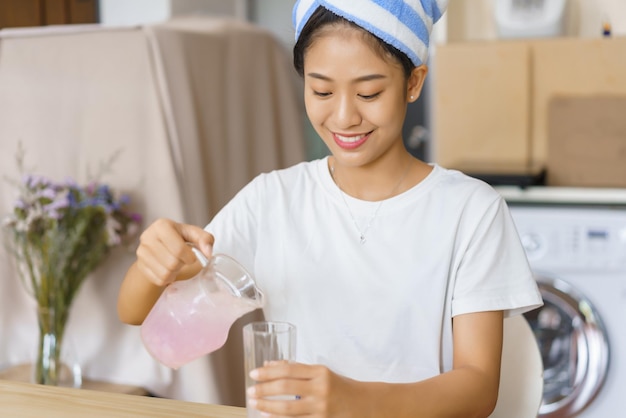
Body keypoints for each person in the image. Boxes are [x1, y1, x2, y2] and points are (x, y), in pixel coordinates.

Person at [118, 0, 543, 416]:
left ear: (413, 82)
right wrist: (153, 263)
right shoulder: (272, 200)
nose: (343, 116)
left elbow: (479, 387)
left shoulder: (471, 212)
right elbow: (136, 312)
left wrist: (352, 400)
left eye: (368, 92)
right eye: (321, 90)